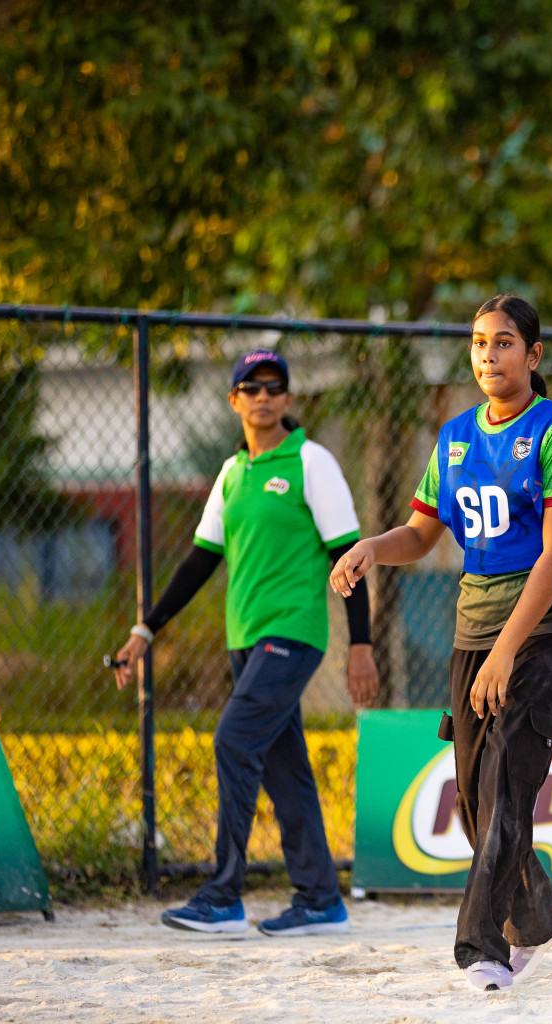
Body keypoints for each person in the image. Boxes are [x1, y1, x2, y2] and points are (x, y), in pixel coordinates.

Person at [329, 294, 552, 994]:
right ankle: (535, 913)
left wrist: (511, 651)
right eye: (479, 343)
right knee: (479, 801)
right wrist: (370, 547)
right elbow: (422, 534)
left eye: (504, 343)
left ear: (533, 356)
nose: (489, 355)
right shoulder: (453, 437)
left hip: (549, 625)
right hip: (476, 625)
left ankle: (480, 947)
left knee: (507, 779)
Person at [112, 349, 377, 936]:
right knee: (286, 769)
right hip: (245, 641)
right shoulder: (233, 474)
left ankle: (223, 894)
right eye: (250, 387)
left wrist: (362, 644)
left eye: (273, 387)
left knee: (233, 739)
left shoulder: (312, 462)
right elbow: (199, 562)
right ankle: (319, 900)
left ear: (286, 399)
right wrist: (144, 630)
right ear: (234, 400)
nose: (262, 396)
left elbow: (350, 558)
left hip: (294, 633)